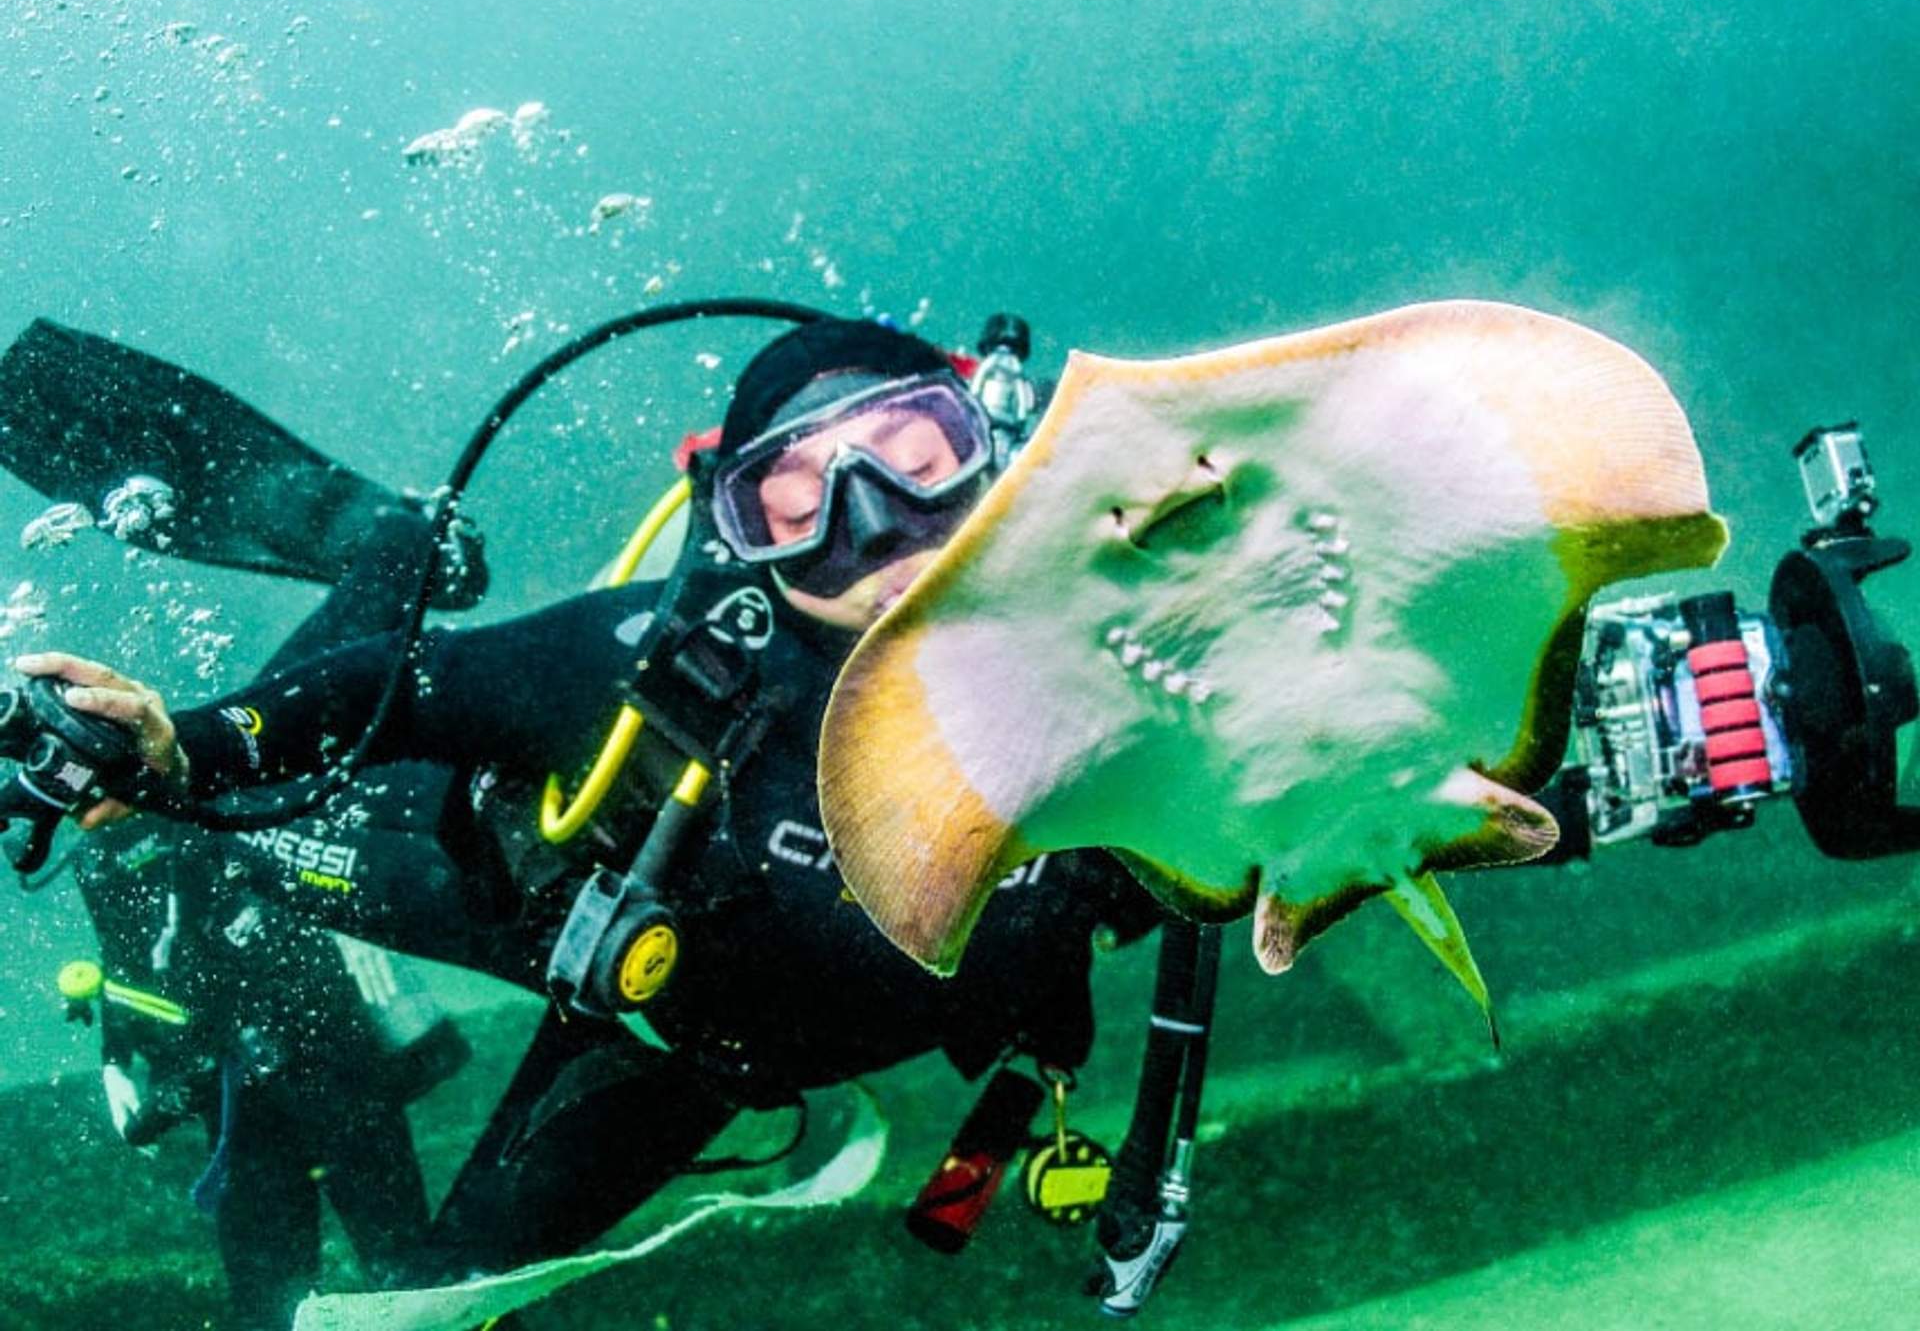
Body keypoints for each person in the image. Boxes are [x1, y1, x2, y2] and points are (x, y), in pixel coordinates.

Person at [18, 317, 1163, 1280]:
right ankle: (393, 549)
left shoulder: (1141, 696)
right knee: (238, 840)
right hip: (520, 901)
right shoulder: (677, 657)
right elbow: (400, 687)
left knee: (440, 1295)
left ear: (996, 456)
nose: (871, 525)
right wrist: (184, 749)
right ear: (739, 525)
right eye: (797, 499)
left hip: (696, 1063)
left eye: (918, 459)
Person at [51, 509, 473, 1329]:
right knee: (268, 1296)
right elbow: (132, 971)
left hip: (335, 1065)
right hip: (232, 1098)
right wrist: (131, 1061)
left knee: (406, 1263)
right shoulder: (101, 861)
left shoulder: (217, 792)